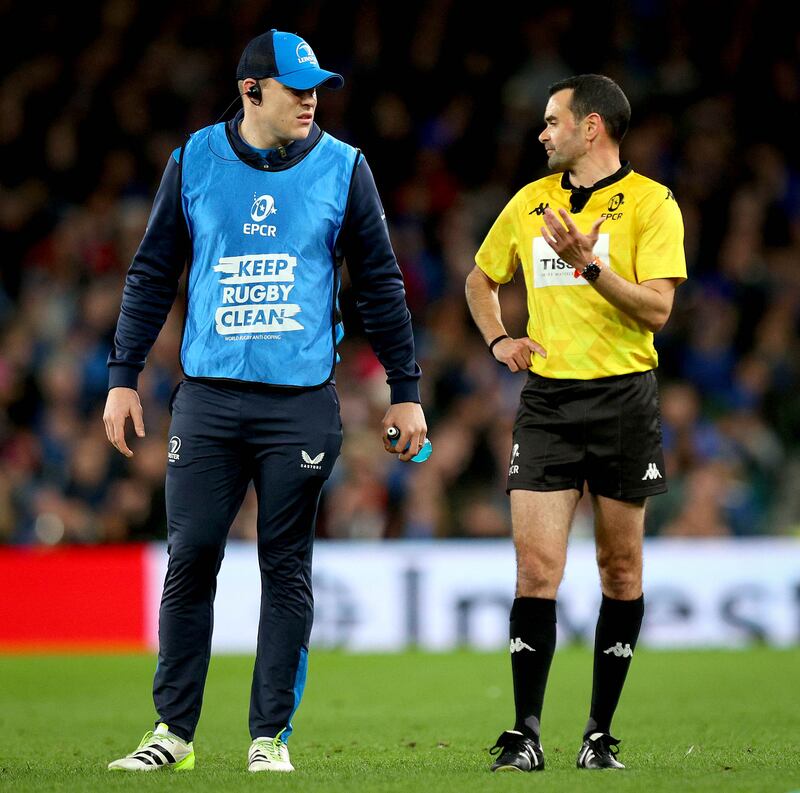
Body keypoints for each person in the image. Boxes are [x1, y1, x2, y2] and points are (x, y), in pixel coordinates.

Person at [104, 29, 426, 773]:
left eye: (316, 87)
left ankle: (267, 737)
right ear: (251, 91)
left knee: (286, 566)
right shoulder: (193, 159)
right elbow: (151, 273)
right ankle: (172, 735)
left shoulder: (346, 168)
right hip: (208, 400)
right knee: (192, 559)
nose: (311, 99)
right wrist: (123, 375)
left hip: (300, 405)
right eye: (295, 87)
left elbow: (381, 284)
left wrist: (405, 394)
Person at [465, 74, 686, 772]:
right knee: (536, 568)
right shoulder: (530, 202)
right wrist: (501, 339)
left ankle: (598, 734)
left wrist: (588, 267)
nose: (542, 132)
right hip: (550, 403)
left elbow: (656, 310)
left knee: (619, 570)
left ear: (592, 127)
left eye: (552, 121)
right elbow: (480, 278)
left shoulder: (653, 204)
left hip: (624, 399)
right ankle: (525, 731)